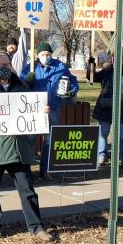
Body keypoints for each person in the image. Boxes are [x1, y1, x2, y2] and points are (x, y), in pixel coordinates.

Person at [0, 51, 55, 242]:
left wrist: (42, 111)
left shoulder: (20, 86)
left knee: (27, 190)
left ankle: (36, 227)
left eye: (8, 64)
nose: (5, 68)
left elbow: (33, 109)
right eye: (1, 65)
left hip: (19, 149)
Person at [20, 41, 78, 181]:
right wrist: (27, 81)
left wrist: (72, 90)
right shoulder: (30, 67)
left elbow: (72, 80)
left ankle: (45, 170)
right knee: (30, 140)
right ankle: (26, 169)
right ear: (38, 55)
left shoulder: (59, 66)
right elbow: (20, 86)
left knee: (49, 141)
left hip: (53, 109)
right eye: (43, 54)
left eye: (48, 54)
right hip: (34, 110)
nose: (46, 56)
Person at [92, 57, 123, 168]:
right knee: (103, 134)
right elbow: (92, 77)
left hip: (122, 110)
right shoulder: (105, 73)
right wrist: (90, 65)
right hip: (105, 109)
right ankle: (102, 156)